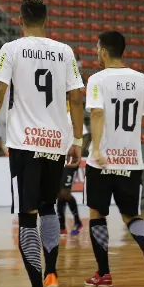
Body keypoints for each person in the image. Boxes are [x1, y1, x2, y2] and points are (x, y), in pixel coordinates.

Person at [0, 0, 85, 287]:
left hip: (24, 143)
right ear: (47, 20)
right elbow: (76, 97)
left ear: (19, 19)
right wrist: (77, 139)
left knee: (27, 215)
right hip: (56, 143)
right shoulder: (64, 51)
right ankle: (51, 272)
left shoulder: (11, 49)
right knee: (49, 208)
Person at [82, 30, 144, 287]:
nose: (96, 53)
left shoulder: (97, 79)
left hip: (103, 160)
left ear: (104, 51)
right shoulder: (141, 79)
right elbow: (141, 115)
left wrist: (96, 149)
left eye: (97, 49)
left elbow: (96, 113)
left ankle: (103, 273)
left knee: (97, 214)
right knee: (132, 215)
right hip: (131, 160)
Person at [57, 98, 86, 236]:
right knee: (58, 194)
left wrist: (78, 150)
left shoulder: (72, 116)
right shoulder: (57, 117)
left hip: (70, 160)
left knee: (64, 193)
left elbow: (85, 136)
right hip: (57, 159)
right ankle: (61, 226)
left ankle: (78, 222)